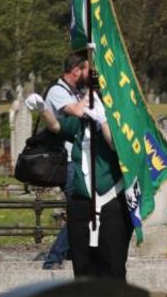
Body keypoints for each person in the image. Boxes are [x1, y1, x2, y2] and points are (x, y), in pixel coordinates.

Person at [26, 91, 131, 279]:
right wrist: (43, 110)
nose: (84, 102)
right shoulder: (81, 124)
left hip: (111, 201)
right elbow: (57, 126)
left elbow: (116, 145)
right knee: (83, 266)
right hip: (81, 202)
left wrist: (103, 119)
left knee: (112, 265)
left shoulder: (119, 121)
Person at [41, 51, 90, 270]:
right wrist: (93, 91)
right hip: (68, 161)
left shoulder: (76, 91)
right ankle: (54, 259)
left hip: (80, 159)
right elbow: (79, 112)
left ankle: (70, 254)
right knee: (81, 211)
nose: (89, 74)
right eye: (86, 69)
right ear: (76, 71)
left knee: (82, 210)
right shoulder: (57, 91)